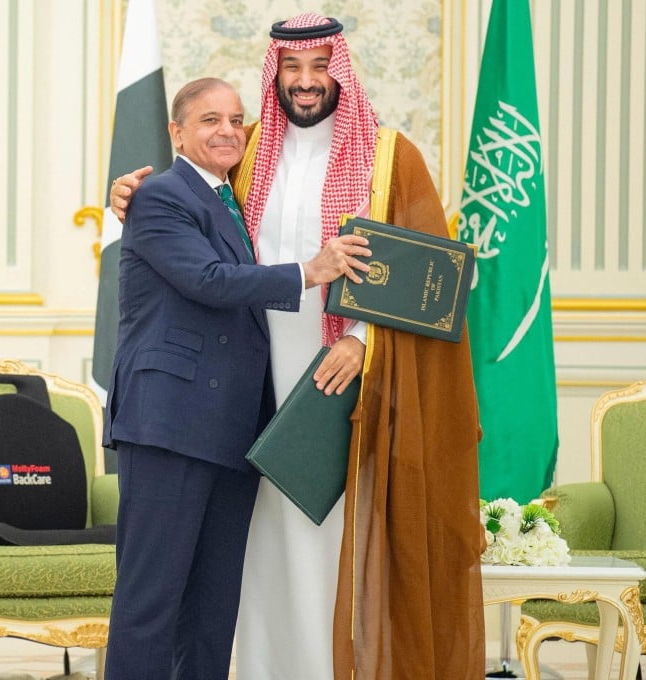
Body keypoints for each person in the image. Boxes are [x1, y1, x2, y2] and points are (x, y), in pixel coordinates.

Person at [111, 14, 485, 679]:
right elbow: (188, 212)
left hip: (340, 376)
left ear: (340, 70)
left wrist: (365, 342)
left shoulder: (389, 155)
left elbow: (441, 279)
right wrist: (129, 195)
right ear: (274, 74)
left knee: (331, 534)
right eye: (293, 68)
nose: (307, 83)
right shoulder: (247, 147)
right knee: (245, 553)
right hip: (240, 387)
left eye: (320, 67)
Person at [102, 76, 370, 680]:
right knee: (151, 601)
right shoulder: (158, 196)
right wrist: (313, 270)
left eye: (235, 120)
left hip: (232, 431)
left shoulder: (233, 198)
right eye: (208, 120)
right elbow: (211, 281)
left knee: (213, 605)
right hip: (169, 425)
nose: (226, 131)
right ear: (176, 132)